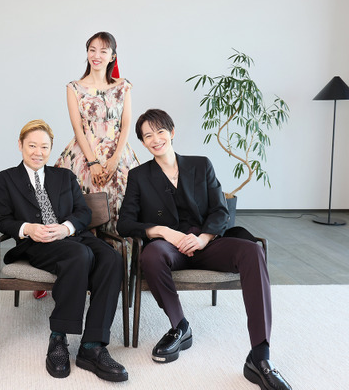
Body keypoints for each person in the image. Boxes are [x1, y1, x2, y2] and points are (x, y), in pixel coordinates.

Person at [117, 109, 292, 390]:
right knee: (151, 254)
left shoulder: (201, 165)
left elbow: (220, 210)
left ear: (172, 132)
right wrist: (164, 232)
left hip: (206, 244)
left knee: (252, 251)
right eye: (148, 136)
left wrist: (203, 238)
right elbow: (124, 223)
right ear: (143, 142)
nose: (155, 139)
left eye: (160, 131)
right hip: (169, 249)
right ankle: (180, 327)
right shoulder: (139, 176)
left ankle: (259, 357)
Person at [0, 119, 128, 383]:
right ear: (20, 145)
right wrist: (28, 229)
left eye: (44, 147)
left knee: (111, 258)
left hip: (71, 236)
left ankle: (93, 345)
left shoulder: (64, 176)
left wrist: (66, 228)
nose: (38, 152)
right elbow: (2, 219)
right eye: (32, 145)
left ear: (51, 149)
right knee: (79, 255)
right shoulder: (5, 179)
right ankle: (58, 337)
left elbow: (83, 212)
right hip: (37, 244)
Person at [55, 31, 139, 235]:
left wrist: (115, 158)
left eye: (103, 51)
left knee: (121, 207)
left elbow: (126, 124)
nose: (96, 55)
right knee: (85, 210)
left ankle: (121, 255)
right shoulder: (74, 87)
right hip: (84, 156)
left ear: (112, 56)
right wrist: (92, 163)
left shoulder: (123, 86)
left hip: (118, 156)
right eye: (92, 50)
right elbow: (77, 127)